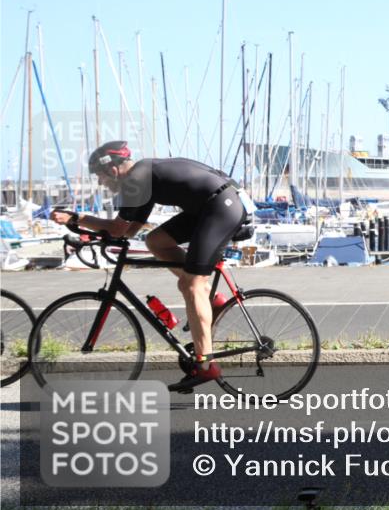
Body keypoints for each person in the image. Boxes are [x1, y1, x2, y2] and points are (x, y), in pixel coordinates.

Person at [50, 141, 248, 393]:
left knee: (190, 285)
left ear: (112, 169)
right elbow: (129, 231)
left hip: (221, 207)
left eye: (100, 176)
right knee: (156, 241)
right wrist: (89, 233)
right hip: (208, 206)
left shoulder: (137, 179)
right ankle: (211, 300)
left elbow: (117, 228)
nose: (100, 182)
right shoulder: (142, 179)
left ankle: (206, 365)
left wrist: (77, 218)